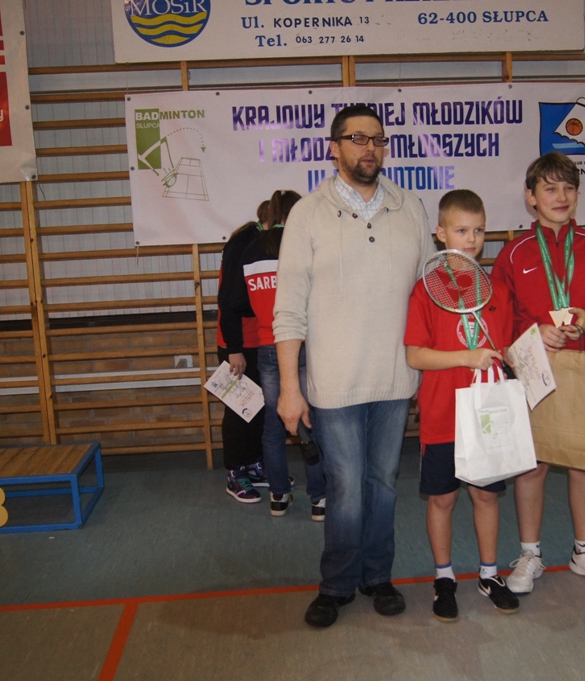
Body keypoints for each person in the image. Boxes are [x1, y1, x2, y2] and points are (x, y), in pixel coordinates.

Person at [272, 103, 436, 628]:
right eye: (358, 138)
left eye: (378, 139)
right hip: (334, 383)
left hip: (395, 379)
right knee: (343, 486)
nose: (370, 148)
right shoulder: (308, 213)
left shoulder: (410, 208)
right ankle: (337, 584)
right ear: (334, 147)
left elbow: (430, 291)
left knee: (383, 482)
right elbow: (288, 308)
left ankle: (377, 576)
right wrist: (290, 388)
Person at [490, 151, 585, 595]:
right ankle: (530, 553)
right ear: (531, 197)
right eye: (550, 188)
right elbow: (500, 322)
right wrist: (534, 332)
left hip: (584, 368)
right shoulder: (512, 254)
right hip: (535, 373)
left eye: (569, 188)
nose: (560, 196)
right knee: (532, 466)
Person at [404, 189, 520, 622]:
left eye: (479, 230)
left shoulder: (497, 290)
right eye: (461, 230)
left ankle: (490, 574)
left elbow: (507, 349)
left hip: (486, 417)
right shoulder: (425, 291)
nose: (471, 240)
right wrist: (465, 357)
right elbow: (416, 355)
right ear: (440, 233)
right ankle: (444, 578)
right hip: (442, 415)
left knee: (486, 497)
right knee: (443, 500)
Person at [230, 189, 327, 520]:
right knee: (311, 421)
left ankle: (278, 496)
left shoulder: (249, 250)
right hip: (303, 344)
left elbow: (239, 301)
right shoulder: (301, 246)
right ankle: (319, 499)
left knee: (273, 426)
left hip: (268, 346)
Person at [216, 201, 269, 503]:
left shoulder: (264, 241)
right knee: (238, 409)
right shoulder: (243, 243)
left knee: (258, 408)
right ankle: (236, 471)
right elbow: (228, 300)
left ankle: (253, 464)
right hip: (236, 342)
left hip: (259, 339)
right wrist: (233, 349)